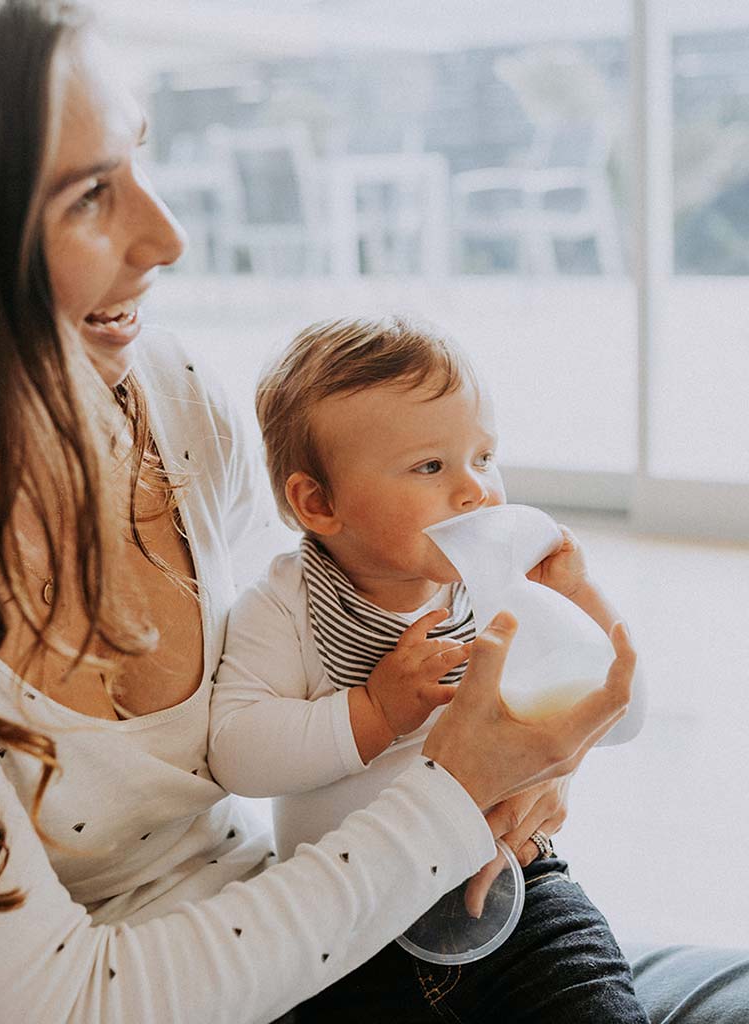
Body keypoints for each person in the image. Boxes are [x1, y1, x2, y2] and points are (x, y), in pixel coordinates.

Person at [0, 3, 634, 1023]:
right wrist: (447, 801)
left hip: (275, 933)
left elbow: (308, 650)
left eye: (139, 157)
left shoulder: (167, 393)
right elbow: (62, 998)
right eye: (86, 197)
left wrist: (531, 752)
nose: (169, 234)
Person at [209, 315, 648, 1022]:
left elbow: (618, 711)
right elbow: (235, 753)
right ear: (318, 503)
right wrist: (373, 713)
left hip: (515, 889)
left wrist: (577, 599)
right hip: (347, 926)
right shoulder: (284, 606)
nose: (475, 489)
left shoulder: (499, 589)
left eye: (483, 455)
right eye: (431, 467)